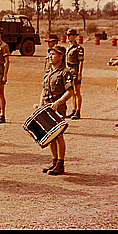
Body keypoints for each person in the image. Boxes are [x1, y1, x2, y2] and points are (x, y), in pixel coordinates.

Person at [38, 45, 74, 175]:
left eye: (53, 54)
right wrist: (40, 104)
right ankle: (54, 161)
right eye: (50, 54)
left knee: (58, 136)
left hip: (57, 108)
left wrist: (58, 103)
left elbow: (69, 92)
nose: (50, 57)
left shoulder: (65, 73)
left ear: (61, 56)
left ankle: (61, 163)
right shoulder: (49, 72)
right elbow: (43, 90)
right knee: (50, 136)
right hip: (47, 108)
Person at [65, 29, 84, 119]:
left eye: (70, 35)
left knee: (77, 92)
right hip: (69, 70)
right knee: (72, 92)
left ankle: (78, 111)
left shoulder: (78, 48)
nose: (68, 37)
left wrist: (80, 73)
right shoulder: (68, 47)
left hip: (75, 70)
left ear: (75, 36)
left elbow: (81, 62)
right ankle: (74, 109)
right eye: (68, 35)